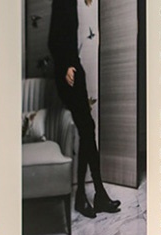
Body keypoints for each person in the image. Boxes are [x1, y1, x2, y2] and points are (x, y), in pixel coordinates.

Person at [48, 0, 120, 217]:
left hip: (75, 69)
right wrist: (66, 66)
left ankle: (93, 194)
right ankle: (92, 195)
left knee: (87, 130)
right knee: (87, 129)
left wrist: (72, 65)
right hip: (68, 73)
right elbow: (53, 41)